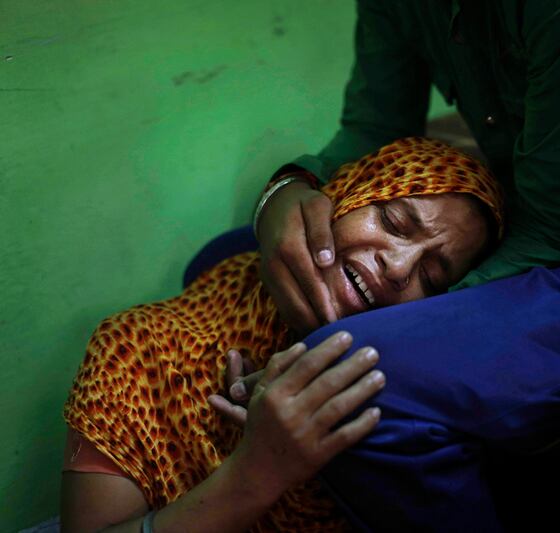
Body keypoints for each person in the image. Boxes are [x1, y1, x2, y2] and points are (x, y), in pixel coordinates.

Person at [252, 0, 560, 530]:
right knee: (232, 256)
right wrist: (283, 191)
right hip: (539, 221)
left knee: (346, 385)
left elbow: (559, 228)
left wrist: (376, 324)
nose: (398, 267)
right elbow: (375, 130)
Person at [60, 137, 504, 532]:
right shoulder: (140, 349)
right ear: (340, 195)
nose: (400, 267)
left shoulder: (392, 405)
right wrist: (258, 472)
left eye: (431, 277)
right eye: (393, 221)